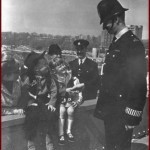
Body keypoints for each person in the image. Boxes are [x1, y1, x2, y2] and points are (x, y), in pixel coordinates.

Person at [94, 0, 147, 150]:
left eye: (106, 22)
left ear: (116, 19)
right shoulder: (116, 43)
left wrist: (132, 116)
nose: (105, 27)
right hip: (111, 111)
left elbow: (138, 84)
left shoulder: (133, 45)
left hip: (122, 113)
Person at [23, 51, 57, 150]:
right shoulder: (30, 79)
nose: (47, 66)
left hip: (45, 101)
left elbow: (54, 91)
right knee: (31, 117)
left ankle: (49, 142)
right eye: (44, 65)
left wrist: (51, 103)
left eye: (46, 64)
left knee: (51, 115)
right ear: (36, 69)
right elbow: (24, 91)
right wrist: (29, 103)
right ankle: (31, 143)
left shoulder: (49, 79)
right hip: (33, 102)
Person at [49, 57, 84, 145]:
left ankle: (68, 131)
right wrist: (67, 90)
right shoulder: (54, 78)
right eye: (59, 66)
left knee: (71, 111)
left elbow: (79, 88)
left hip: (69, 99)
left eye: (62, 64)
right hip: (59, 100)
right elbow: (55, 91)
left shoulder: (70, 76)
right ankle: (61, 134)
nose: (62, 66)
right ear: (54, 70)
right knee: (62, 111)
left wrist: (75, 94)